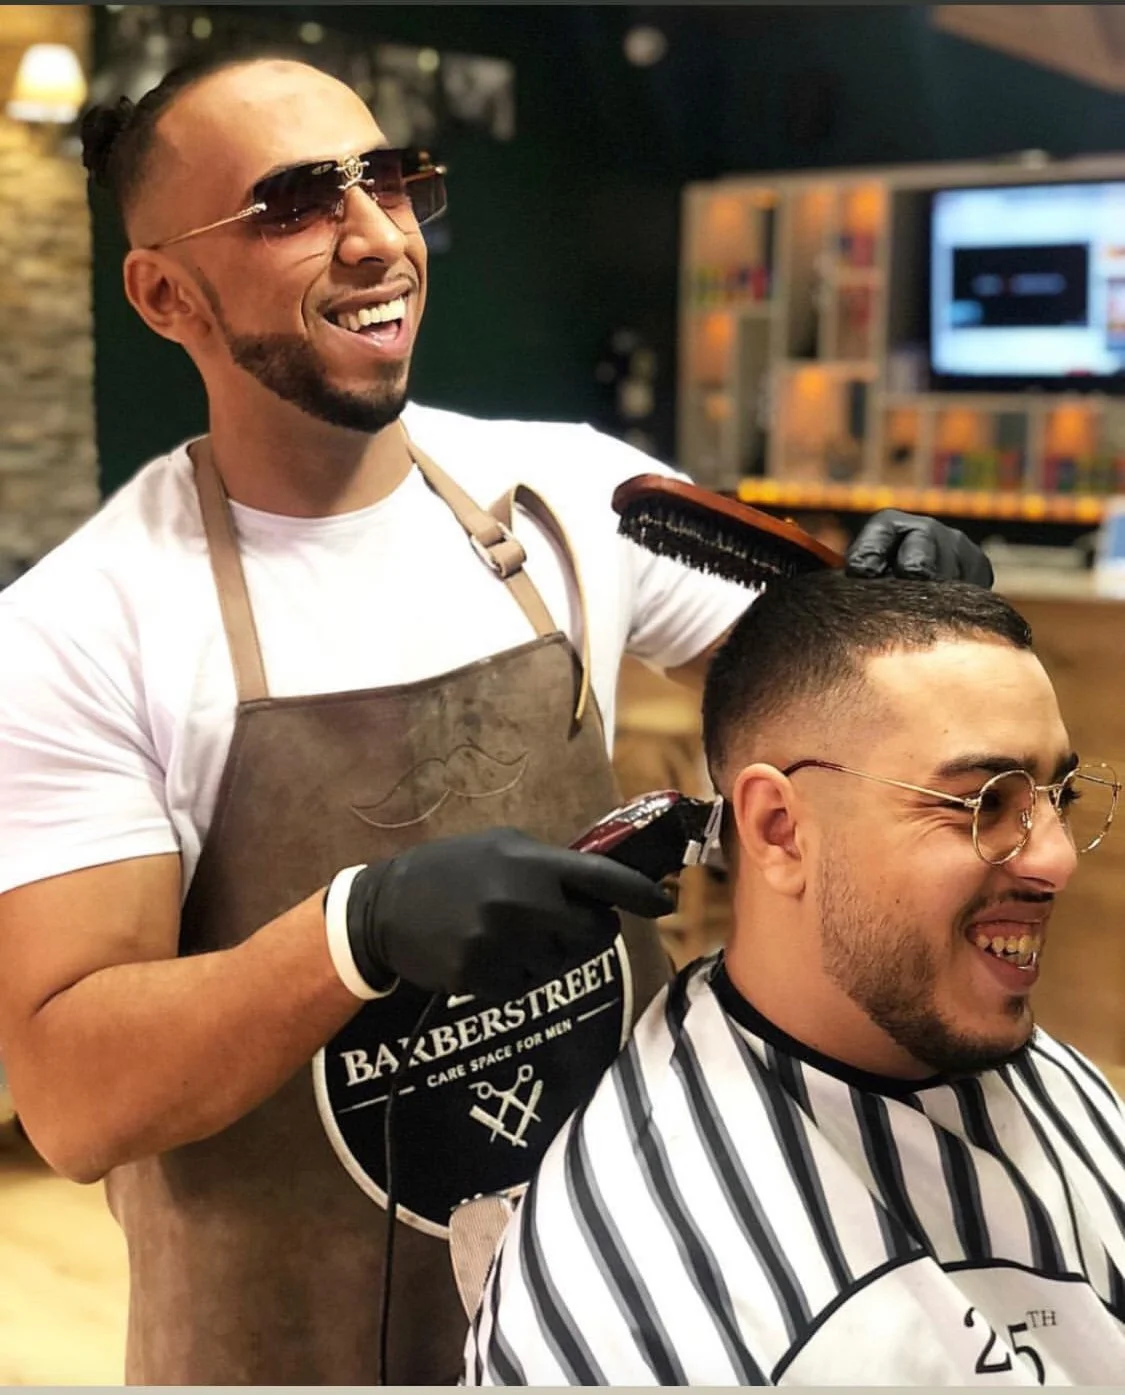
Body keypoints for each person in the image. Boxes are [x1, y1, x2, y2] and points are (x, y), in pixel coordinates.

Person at [0, 48, 992, 1387]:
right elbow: (72, 1098)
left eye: (389, 182)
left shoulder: (576, 499)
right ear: (164, 289)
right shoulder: (83, 626)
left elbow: (846, 710)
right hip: (295, 1346)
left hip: (628, 1299)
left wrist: (913, 622)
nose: (374, 238)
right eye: (293, 203)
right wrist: (351, 933)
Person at [465, 574, 1125, 1386]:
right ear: (780, 832)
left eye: (1055, 795)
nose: (1054, 858)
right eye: (981, 802)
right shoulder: (632, 1295)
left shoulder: (1047, 1081)